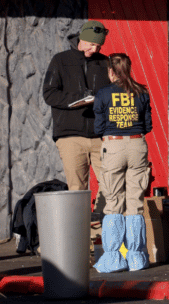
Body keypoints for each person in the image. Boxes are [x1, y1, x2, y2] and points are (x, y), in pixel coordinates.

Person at [42, 20, 112, 215]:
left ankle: (100, 229)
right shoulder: (60, 60)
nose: (95, 48)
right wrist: (78, 99)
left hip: (100, 135)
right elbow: (49, 94)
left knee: (111, 185)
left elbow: (114, 93)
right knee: (77, 190)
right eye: (92, 44)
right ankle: (81, 238)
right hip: (70, 136)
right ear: (82, 39)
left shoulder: (105, 62)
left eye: (99, 45)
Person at [92, 52, 152, 273]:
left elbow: (98, 127)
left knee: (113, 202)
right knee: (135, 202)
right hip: (138, 145)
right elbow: (148, 125)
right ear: (129, 69)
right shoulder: (142, 92)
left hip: (113, 145)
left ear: (110, 71)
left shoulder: (103, 93)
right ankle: (136, 258)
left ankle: (113, 258)